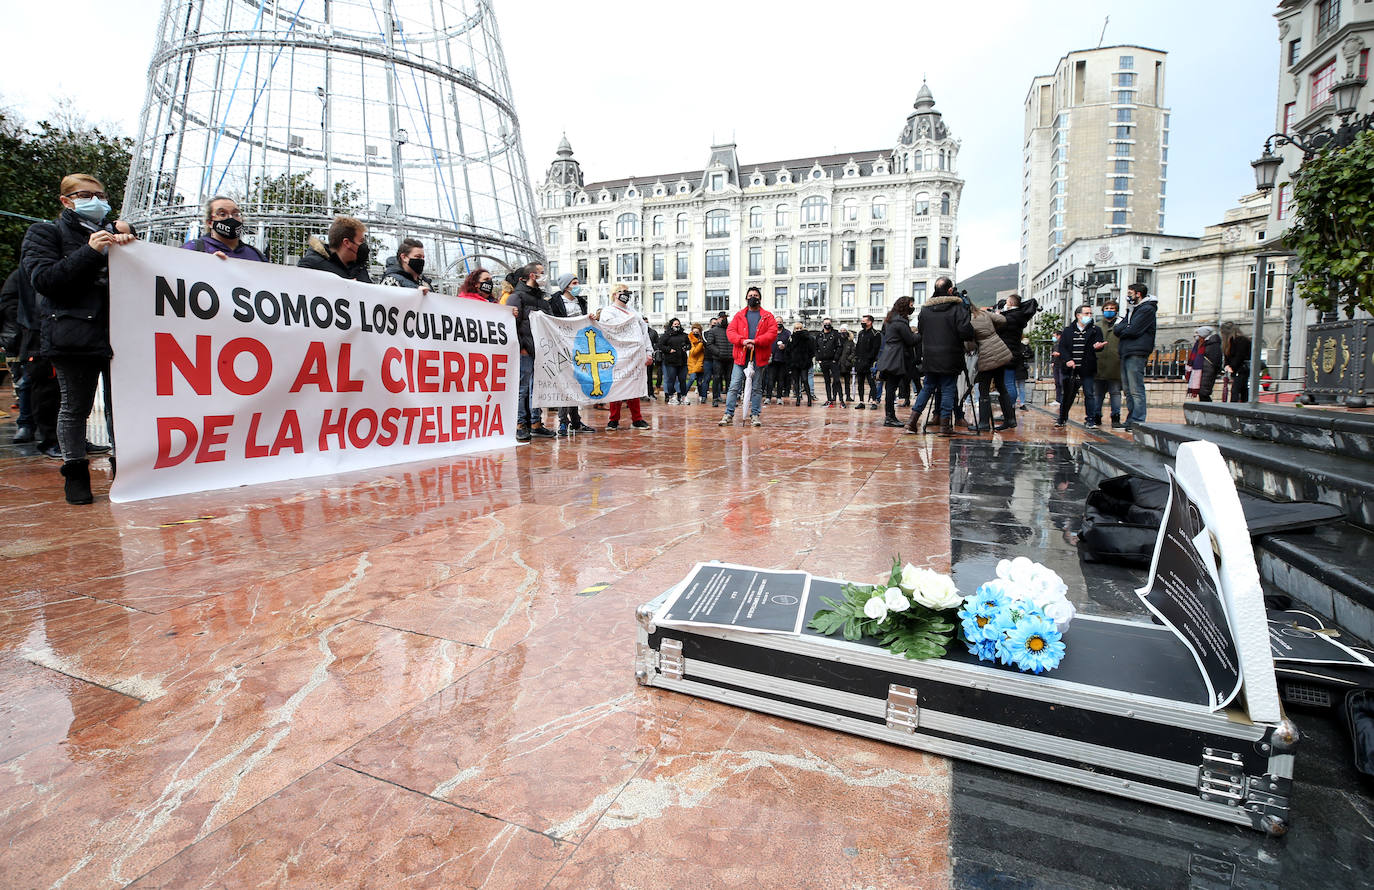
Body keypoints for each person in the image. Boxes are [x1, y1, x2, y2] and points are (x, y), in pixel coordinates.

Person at [20, 173, 135, 504]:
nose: (97, 201)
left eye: (101, 194)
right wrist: (90, 251)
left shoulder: (117, 234)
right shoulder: (45, 233)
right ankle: (75, 472)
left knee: (122, 408)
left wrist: (132, 242)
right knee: (75, 407)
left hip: (122, 334)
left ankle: (124, 469)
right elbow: (45, 280)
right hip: (72, 335)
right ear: (66, 200)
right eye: (87, 194)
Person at [2, 267, 60, 455]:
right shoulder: (21, 274)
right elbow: (9, 303)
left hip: (36, 333)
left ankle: (29, 425)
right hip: (24, 337)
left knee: (31, 382)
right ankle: (27, 424)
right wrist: (22, 324)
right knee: (27, 382)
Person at [911, 278, 976, 436]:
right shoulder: (957, 307)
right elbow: (966, 332)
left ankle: (911, 422)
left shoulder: (925, 309)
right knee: (948, 389)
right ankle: (945, 427)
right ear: (949, 290)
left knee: (927, 388)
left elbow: (921, 330)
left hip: (930, 356)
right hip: (950, 355)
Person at [510, 261, 557, 441]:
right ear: (532, 275)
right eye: (541, 273)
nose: (544, 276)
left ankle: (536, 423)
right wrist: (521, 346)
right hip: (525, 351)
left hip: (541, 351)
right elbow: (513, 323)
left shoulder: (542, 298)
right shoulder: (517, 296)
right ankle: (520, 424)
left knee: (537, 389)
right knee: (522, 389)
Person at [719, 286, 778, 427]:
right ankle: (728, 414)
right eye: (750, 295)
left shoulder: (767, 316)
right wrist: (742, 341)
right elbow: (731, 331)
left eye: (756, 295)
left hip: (758, 357)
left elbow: (772, 333)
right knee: (734, 385)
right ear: (746, 298)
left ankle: (755, 415)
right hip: (740, 356)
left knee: (757, 387)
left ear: (760, 298)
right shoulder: (739, 315)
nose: (753, 297)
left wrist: (756, 342)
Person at [596, 284, 651, 430]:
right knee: (617, 386)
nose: (626, 294)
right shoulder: (608, 311)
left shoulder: (635, 313)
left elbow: (644, 334)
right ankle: (613, 419)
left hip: (635, 356)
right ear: (615, 294)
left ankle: (637, 418)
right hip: (618, 355)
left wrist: (649, 352)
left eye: (627, 291)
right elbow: (610, 330)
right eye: (622, 291)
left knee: (634, 386)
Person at [548, 273, 597, 436]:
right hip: (562, 346)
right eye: (574, 282)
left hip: (578, 345)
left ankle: (575, 421)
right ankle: (563, 421)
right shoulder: (555, 302)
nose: (577, 285)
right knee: (565, 383)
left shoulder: (581, 302)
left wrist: (590, 318)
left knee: (575, 383)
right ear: (566, 285)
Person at [1052, 305, 1105, 427]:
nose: (1089, 316)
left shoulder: (1095, 330)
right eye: (1086, 313)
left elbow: (1099, 345)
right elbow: (1063, 347)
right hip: (1071, 368)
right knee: (1068, 395)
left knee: (1089, 393)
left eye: (1090, 314)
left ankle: (1090, 419)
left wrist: (1098, 347)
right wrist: (1068, 360)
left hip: (1087, 367)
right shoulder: (1068, 330)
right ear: (1078, 315)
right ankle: (1062, 418)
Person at [1113, 282, 1157, 428]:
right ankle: (1131, 419)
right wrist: (1125, 328)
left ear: (1138, 294)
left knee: (1136, 388)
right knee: (1127, 389)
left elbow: (1133, 331)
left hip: (1137, 351)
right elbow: (1117, 329)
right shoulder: (1132, 310)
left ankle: (1138, 420)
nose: (1128, 296)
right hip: (1126, 350)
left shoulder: (1147, 309)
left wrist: (1125, 328)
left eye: (1130, 293)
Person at [969, 304, 1016, 432]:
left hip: (987, 355)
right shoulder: (983, 313)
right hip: (1000, 350)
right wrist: (993, 330)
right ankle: (1010, 419)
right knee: (1001, 386)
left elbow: (969, 345)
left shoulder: (968, 320)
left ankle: (984, 423)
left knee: (983, 388)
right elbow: (1002, 320)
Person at [876, 297, 919, 428]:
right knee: (891, 387)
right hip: (896, 357)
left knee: (890, 387)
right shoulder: (900, 322)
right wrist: (921, 334)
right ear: (905, 306)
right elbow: (910, 340)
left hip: (889, 355)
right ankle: (890, 417)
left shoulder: (890, 320)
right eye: (911, 305)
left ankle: (890, 416)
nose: (912, 307)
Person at [180, 196, 267, 262]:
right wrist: (204, 264)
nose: (230, 218)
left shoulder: (255, 255)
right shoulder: (193, 249)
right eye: (222, 214)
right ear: (209, 222)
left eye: (236, 214)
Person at [298, 216, 372, 282]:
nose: (363, 246)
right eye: (361, 241)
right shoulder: (312, 265)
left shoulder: (358, 267)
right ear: (347, 243)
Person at [996, 293, 1038, 407]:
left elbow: (999, 330)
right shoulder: (1018, 316)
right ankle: (1010, 411)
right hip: (1012, 352)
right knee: (1009, 383)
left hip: (1007, 353)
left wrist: (998, 316)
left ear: (1010, 303)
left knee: (1008, 383)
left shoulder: (1010, 317)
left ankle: (1009, 411)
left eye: (1006, 302)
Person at [1090, 299, 1124, 428]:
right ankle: (1096, 415)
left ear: (1116, 310)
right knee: (1097, 393)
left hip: (1115, 364)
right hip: (1099, 364)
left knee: (1115, 393)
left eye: (1112, 309)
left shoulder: (1121, 326)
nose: (1109, 311)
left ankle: (1116, 417)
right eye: (1107, 308)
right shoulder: (1097, 326)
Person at [659, 317, 691, 404]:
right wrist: (669, 350)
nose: (677, 326)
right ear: (671, 325)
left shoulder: (684, 335)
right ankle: (671, 397)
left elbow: (689, 345)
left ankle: (683, 396)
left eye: (678, 324)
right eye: (675, 324)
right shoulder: (666, 335)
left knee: (682, 379)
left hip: (682, 361)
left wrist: (686, 347)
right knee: (671, 379)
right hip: (671, 361)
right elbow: (660, 345)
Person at [703, 311, 732, 407]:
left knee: (729, 379)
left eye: (725, 317)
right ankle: (715, 398)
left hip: (730, 358)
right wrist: (718, 352)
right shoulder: (713, 331)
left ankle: (730, 399)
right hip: (718, 359)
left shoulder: (731, 330)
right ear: (718, 319)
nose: (723, 319)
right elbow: (709, 344)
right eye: (722, 317)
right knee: (716, 378)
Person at [1221, 321, 1253, 403]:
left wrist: (1230, 366)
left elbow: (1239, 356)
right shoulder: (1235, 341)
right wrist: (1227, 365)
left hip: (1241, 369)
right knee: (1243, 389)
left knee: (1236, 390)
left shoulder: (1240, 341)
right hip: (1239, 369)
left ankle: (1234, 408)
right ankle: (1244, 406)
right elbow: (1228, 356)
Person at [854, 314, 881, 409]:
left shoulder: (876, 334)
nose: (862, 323)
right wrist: (856, 359)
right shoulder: (860, 333)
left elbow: (875, 349)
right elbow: (857, 347)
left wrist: (869, 360)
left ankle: (874, 401)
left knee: (872, 383)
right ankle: (861, 401)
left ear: (870, 322)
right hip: (860, 362)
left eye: (864, 321)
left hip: (869, 363)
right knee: (860, 383)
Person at [786, 322, 816, 406]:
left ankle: (809, 398)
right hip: (794, 363)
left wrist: (807, 359)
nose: (799, 330)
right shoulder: (791, 338)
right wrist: (790, 361)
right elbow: (788, 350)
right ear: (794, 329)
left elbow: (812, 350)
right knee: (796, 381)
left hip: (804, 363)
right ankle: (798, 398)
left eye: (800, 328)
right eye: (797, 328)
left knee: (805, 380)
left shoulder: (807, 338)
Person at [814, 318, 842, 406]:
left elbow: (839, 347)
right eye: (825, 323)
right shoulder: (819, 335)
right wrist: (818, 359)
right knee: (827, 381)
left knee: (837, 380)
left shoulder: (836, 334)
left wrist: (835, 359)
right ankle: (829, 399)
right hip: (823, 361)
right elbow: (816, 347)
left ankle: (841, 399)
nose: (827, 325)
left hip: (833, 361)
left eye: (828, 323)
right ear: (822, 324)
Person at [764, 321, 791, 404]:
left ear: (783, 322)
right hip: (772, 360)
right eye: (777, 321)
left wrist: (785, 346)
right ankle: (768, 397)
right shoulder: (769, 332)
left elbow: (790, 345)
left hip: (783, 360)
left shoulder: (787, 333)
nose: (779, 323)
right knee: (770, 379)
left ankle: (779, 397)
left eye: (780, 321)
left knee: (781, 380)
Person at [1195, 325, 1224, 402]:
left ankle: (1208, 409)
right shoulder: (1204, 343)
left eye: (1198, 334)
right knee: (1202, 393)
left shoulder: (1213, 344)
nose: (1196, 337)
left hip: (1208, 371)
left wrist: (1216, 370)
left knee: (1204, 393)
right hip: (1203, 371)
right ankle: (1204, 409)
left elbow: (1216, 359)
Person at [687, 322, 706, 403]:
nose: (695, 334)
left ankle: (701, 396)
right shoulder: (690, 340)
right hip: (693, 363)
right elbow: (693, 352)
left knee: (700, 382)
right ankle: (683, 394)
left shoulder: (702, 339)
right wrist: (700, 344)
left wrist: (701, 342)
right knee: (691, 379)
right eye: (694, 332)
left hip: (701, 363)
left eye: (697, 333)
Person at [837, 326, 856, 406]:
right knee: (836, 381)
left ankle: (848, 396)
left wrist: (849, 359)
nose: (842, 331)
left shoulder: (851, 342)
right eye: (841, 330)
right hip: (838, 364)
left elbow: (854, 352)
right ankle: (835, 396)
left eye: (844, 330)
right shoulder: (838, 341)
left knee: (847, 381)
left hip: (847, 364)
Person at [645, 317, 661, 401]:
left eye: (646, 322)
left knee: (649, 376)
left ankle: (650, 393)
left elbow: (657, 344)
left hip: (649, 357)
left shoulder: (653, 332)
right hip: (638, 358)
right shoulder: (636, 332)